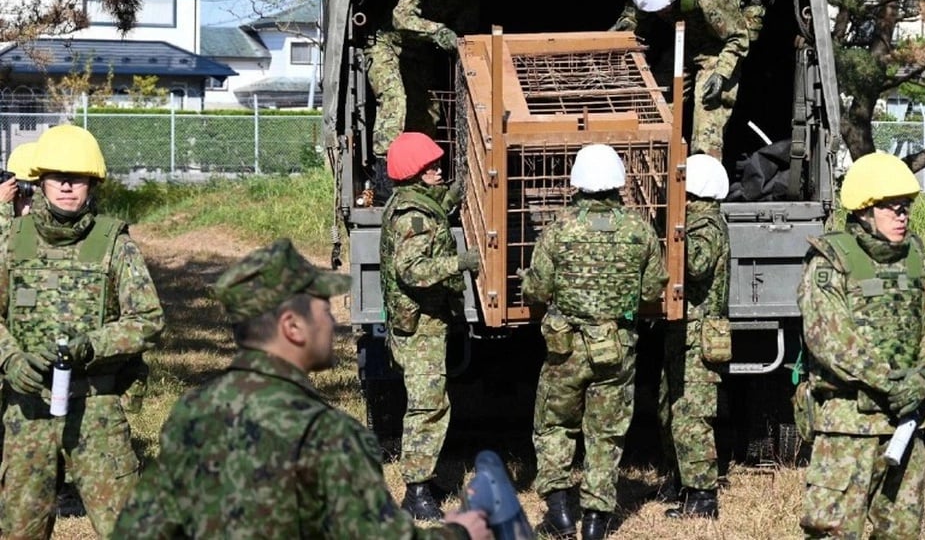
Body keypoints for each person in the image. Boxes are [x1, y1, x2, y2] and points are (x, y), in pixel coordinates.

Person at [113, 238, 492, 539]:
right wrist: (461, 532)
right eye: (322, 310)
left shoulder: (191, 412)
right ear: (292, 327)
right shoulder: (330, 435)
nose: (331, 322)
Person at [0, 124, 164, 538]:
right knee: (20, 530)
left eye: (78, 178)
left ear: (92, 184)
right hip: (27, 411)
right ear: (40, 181)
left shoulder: (115, 244)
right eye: (58, 176)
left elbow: (147, 318)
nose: (68, 186)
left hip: (96, 408)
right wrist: (11, 359)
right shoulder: (11, 242)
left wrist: (92, 345)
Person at [797, 152, 925, 538]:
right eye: (891, 207)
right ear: (864, 211)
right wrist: (893, 383)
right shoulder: (830, 262)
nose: (902, 215)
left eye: (906, 206)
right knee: (832, 531)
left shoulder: (914, 257)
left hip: (905, 424)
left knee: (901, 531)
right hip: (848, 428)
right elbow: (831, 340)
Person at [521, 143, 669, 540]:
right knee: (605, 434)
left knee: (554, 425)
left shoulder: (559, 229)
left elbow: (537, 290)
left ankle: (558, 512)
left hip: (566, 349)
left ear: (578, 182)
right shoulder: (639, 230)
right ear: (618, 181)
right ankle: (595, 521)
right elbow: (652, 289)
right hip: (616, 348)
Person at [380, 131, 480, 520]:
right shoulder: (413, 216)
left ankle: (422, 478)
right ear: (414, 172)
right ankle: (416, 492)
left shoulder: (411, 202)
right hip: (420, 327)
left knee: (430, 403)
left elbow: (435, 213)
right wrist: (460, 263)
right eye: (431, 166)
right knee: (428, 407)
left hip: (420, 323)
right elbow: (412, 270)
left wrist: (454, 194)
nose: (438, 169)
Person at [611, 0, 762, 159]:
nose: (661, 13)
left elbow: (738, 37)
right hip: (684, 44)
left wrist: (722, 73)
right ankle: (654, 165)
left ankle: (703, 171)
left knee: (707, 122)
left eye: (664, 8)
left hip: (718, 49)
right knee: (655, 107)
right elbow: (634, 18)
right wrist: (623, 31)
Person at [657, 153, 730, 519]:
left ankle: (702, 497)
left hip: (699, 337)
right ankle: (682, 482)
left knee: (691, 417)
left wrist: (675, 233)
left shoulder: (707, 224)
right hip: (685, 333)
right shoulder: (700, 220)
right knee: (669, 410)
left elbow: (696, 265)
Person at [366, 0, 479, 187]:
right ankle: (385, 178)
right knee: (395, 102)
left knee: (428, 112)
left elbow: (464, 30)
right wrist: (438, 31)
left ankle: (423, 172)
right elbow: (400, 18)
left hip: (417, 52)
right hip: (385, 44)